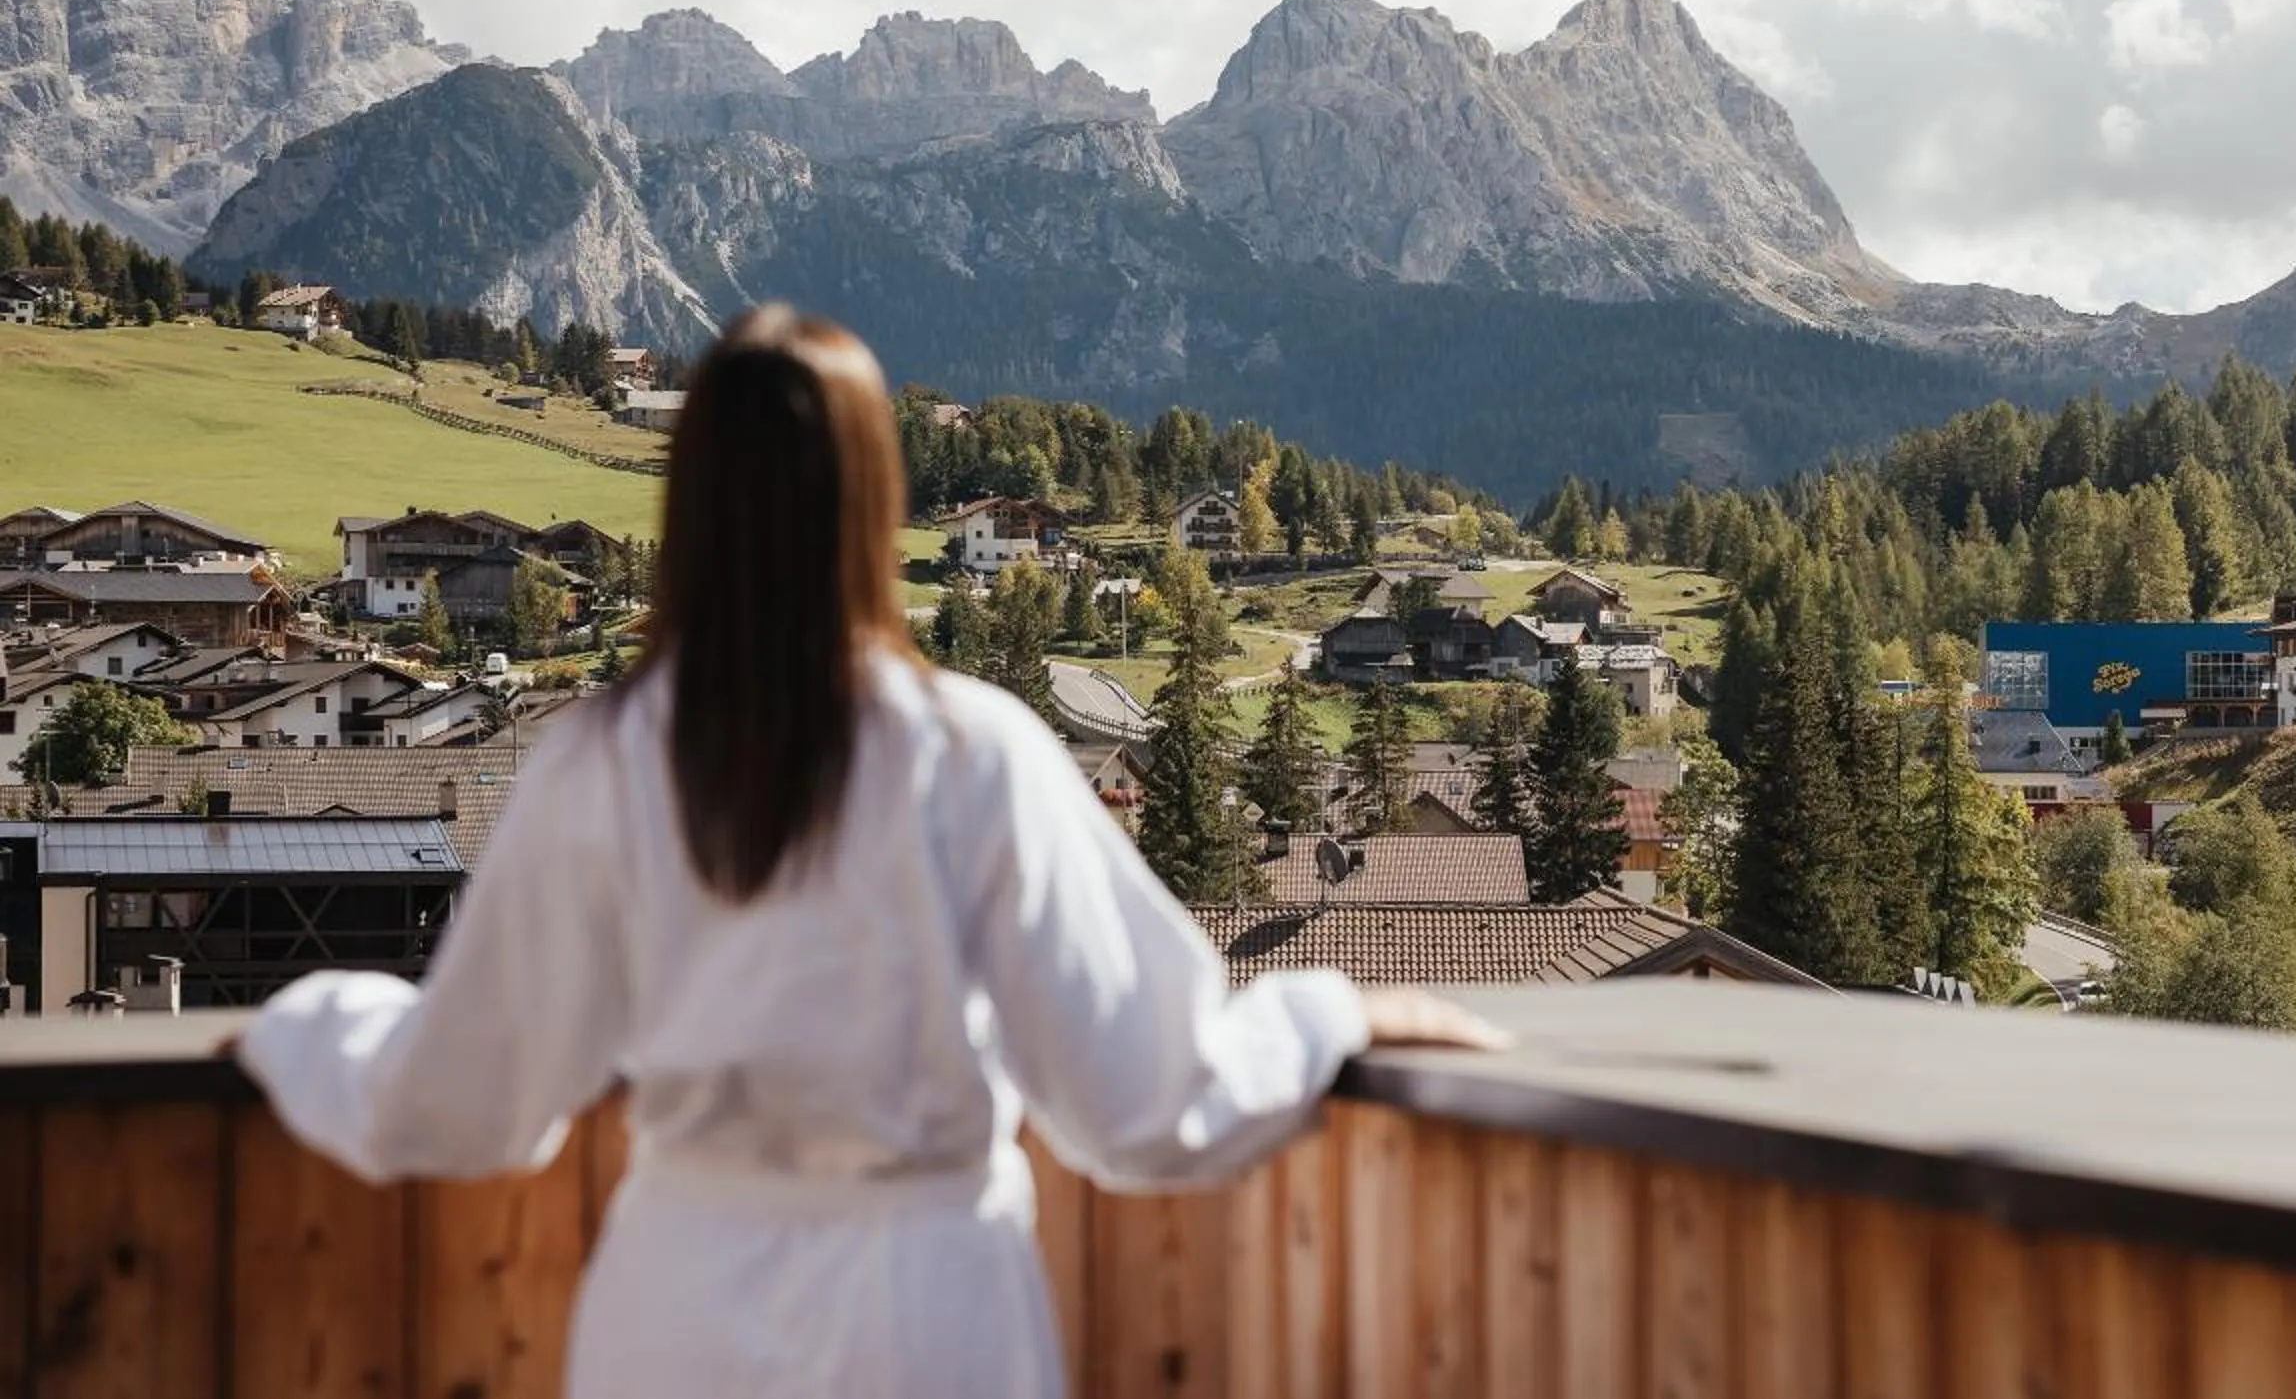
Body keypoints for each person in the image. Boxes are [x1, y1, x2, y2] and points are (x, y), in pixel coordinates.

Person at [241, 306, 1499, 1397]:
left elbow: (460, 1100)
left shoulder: (599, 763)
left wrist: (303, 1029)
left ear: (689, 504)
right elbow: (1149, 1104)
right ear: (870, 504)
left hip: (680, 1318)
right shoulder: (971, 756)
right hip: (928, 1324)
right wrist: (1323, 1014)